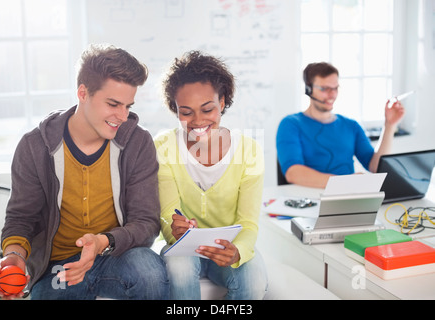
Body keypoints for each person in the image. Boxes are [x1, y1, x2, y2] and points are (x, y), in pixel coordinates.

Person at [0, 44, 169, 300]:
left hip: (114, 255)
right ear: (83, 93)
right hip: (59, 266)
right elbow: (21, 218)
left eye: (128, 106)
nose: (122, 116)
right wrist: (14, 256)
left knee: (151, 273)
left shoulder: (137, 142)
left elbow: (146, 222)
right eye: (113, 104)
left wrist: (102, 242)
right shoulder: (35, 146)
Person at [154, 51, 267, 300]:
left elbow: (248, 224)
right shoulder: (163, 147)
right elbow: (166, 217)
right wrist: (175, 230)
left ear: (223, 102)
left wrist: (238, 251)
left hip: (228, 248)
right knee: (180, 267)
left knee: (255, 281)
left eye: (207, 109)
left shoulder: (249, 151)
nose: (198, 121)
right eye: (186, 112)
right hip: (183, 249)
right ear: (175, 109)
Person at [276, 62, 405, 189]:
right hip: (309, 201)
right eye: (325, 89)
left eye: (335, 88)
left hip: (347, 197)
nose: (332, 95)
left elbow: (376, 168)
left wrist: (389, 126)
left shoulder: (351, 125)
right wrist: (344, 182)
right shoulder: (291, 124)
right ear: (309, 89)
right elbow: (293, 173)